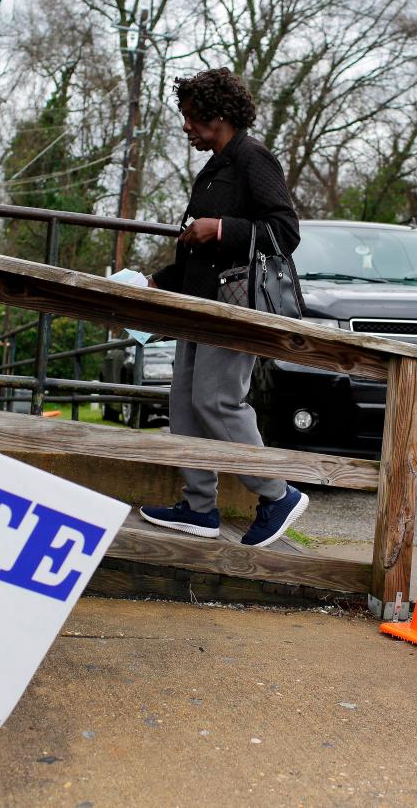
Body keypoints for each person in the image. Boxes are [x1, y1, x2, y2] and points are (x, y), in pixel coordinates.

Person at [139, 68, 309, 548]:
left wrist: (221, 228)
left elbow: (285, 232)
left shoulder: (254, 159)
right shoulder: (213, 168)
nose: (185, 126)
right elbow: (198, 254)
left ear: (217, 117)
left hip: (234, 307)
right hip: (197, 306)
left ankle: (276, 494)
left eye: (191, 118)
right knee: (185, 404)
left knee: (217, 401)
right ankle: (198, 507)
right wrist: (158, 281)